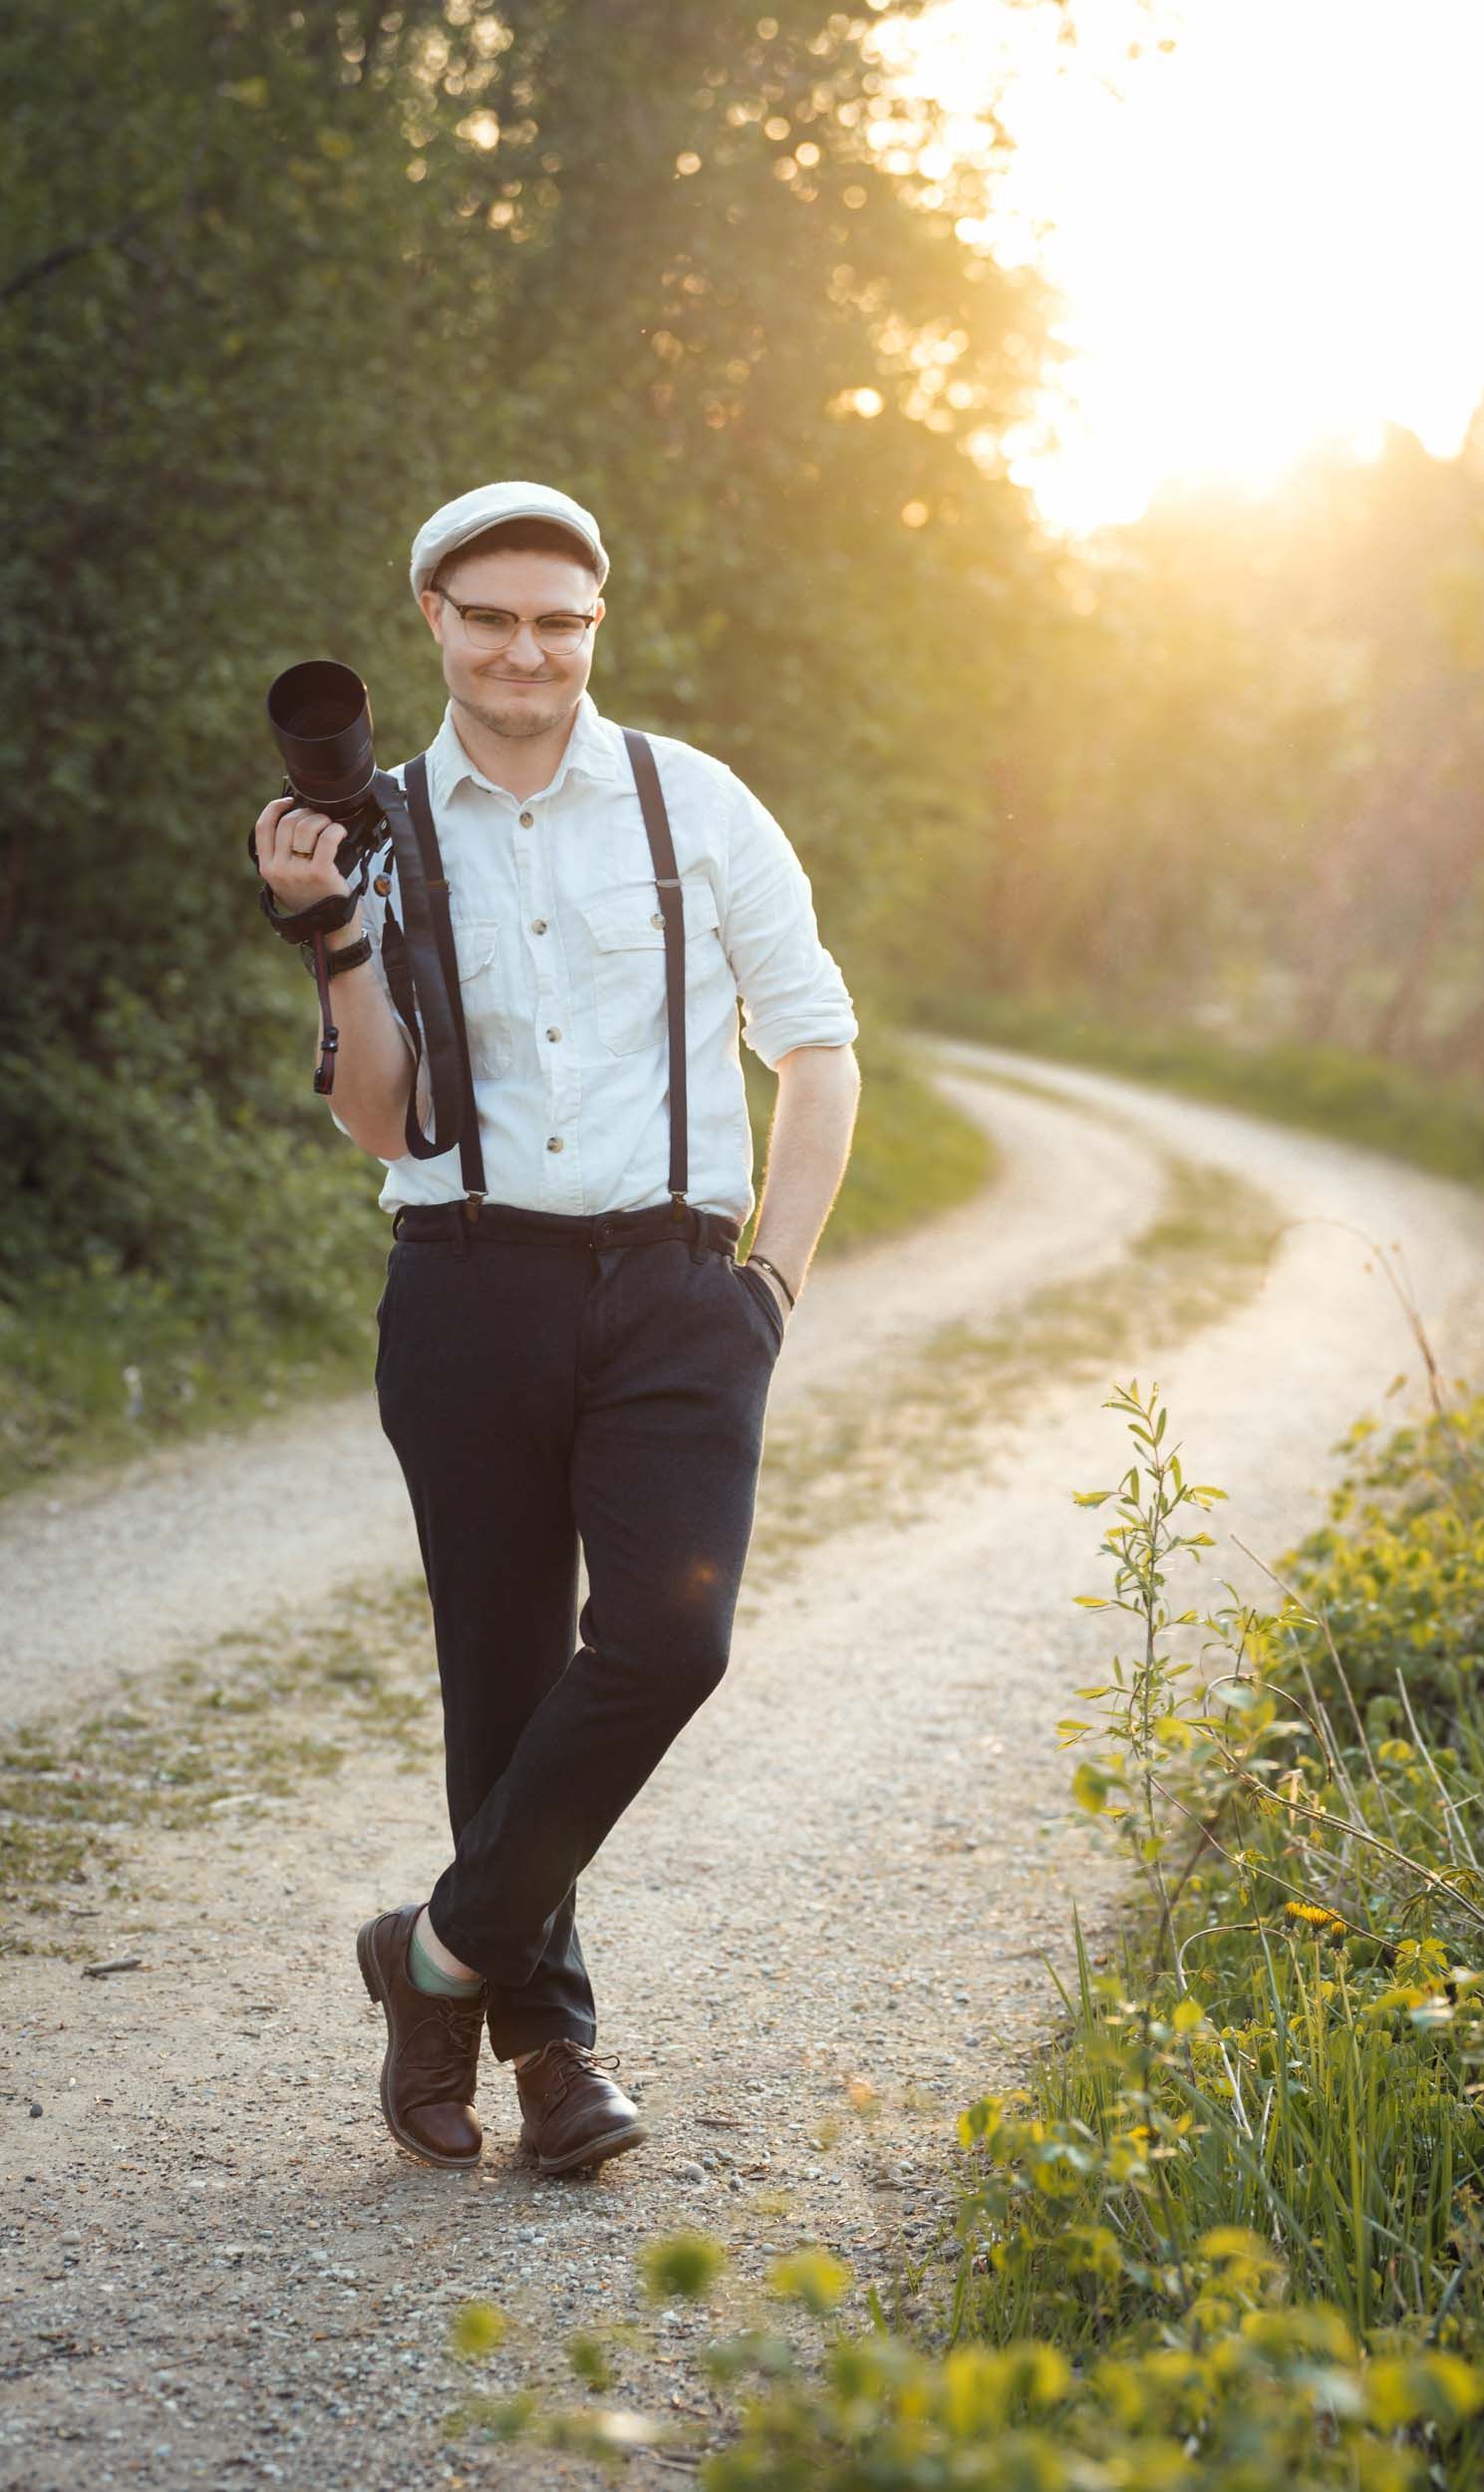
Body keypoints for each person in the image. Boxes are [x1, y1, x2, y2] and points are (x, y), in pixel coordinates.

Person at [250, 480, 860, 2176]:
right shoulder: (369, 829)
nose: (530, 650)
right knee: (504, 1677)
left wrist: (773, 1281)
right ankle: (553, 2062)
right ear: (434, 621)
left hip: (679, 1287)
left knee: (672, 1644)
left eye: (561, 621)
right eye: (494, 616)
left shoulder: (696, 801)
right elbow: (382, 1123)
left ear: (597, 630)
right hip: (467, 1286)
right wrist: (333, 942)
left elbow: (818, 1042)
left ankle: (433, 1956)